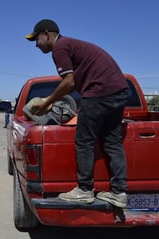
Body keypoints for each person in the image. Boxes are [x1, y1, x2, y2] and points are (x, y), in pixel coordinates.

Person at [25, 19, 128, 208]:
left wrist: (48, 102)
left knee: (84, 140)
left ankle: (84, 190)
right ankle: (119, 192)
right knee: (112, 141)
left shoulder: (60, 48)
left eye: (37, 39)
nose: (36, 45)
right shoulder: (71, 45)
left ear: (46, 34)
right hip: (119, 91)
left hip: (99, 92)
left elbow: (69, 83)